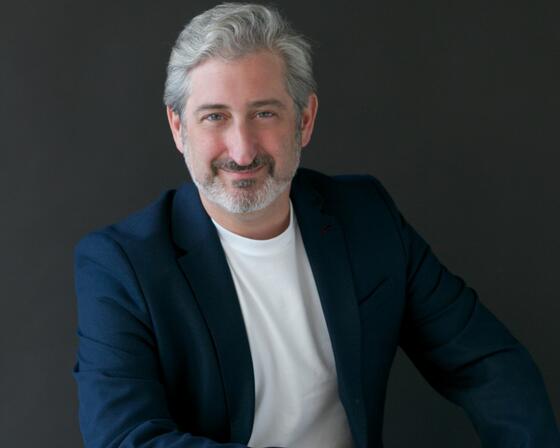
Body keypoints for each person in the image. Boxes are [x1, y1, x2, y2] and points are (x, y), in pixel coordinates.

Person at [73, 3, 559, 448]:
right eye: (214, 117)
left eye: (264, 113)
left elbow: (487, 362)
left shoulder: (366, 217)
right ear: (179, 128)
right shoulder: (122, 266)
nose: (242, 149)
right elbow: (126, 440)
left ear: (304, 120)